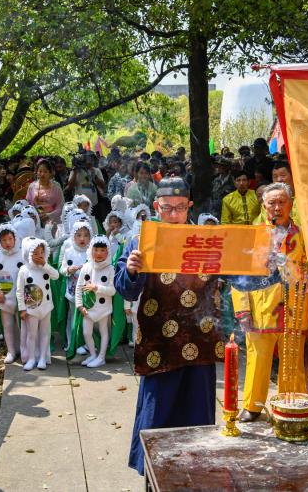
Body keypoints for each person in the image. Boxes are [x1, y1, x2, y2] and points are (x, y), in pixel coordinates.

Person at [115, 177, 224, 475]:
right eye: (166, 208)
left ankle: (197, 476)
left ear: (189, 205)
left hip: (198, 341)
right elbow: (125, 289)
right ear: (155, 206)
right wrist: (132, 270)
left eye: (179, 208)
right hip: (159, 344)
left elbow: (232, 275)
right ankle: (153, 476)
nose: (173, 214)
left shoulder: (206, 239)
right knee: (156, 416)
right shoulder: (139, 242)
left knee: (198, 417)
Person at [229, 183, 308, 421]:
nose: (277, 208)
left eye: (282, 202)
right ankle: (253, 405)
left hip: (295, 306)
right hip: (260, 307)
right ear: (264, 206)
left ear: (291, 204)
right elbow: (239, 275)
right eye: (272, 203)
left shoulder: (303, 236)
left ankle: (291, 402)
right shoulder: (252, 236)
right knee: (257, 357)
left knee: (293, 358)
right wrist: (242, 309)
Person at [17, 237, 59, 371]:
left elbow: (56, 275)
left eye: (41, 252)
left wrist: (45, 265)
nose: (39, 255)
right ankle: (31, 358)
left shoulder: (45, 268)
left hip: (46, 307)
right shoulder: (24, 270)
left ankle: (42, 358)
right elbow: (19, 291)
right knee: (31, 334)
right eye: (35, 253)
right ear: (28, 254)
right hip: (31, 308)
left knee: (45, 333)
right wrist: (22, 309)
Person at [0, 224, 24, 364]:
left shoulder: (23, 254)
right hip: (4, 297)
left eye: (10, 239)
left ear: (15, 238)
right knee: (7, 325)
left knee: (22, 325)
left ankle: (24, 349)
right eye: (4, 240)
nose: (7, 243)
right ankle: (11, 351)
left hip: (21, 298)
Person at [75, 235, 116, 368]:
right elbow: (79, 287)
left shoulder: (110, 269)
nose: (98, 253)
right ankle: (93, 354)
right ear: (91, 250)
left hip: (103, 308)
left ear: (108, 252)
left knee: (104, 331)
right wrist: (79, 305)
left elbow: (112, 291)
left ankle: (101, 357)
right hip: (88, 307)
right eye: (96, 250)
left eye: (102, 250)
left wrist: (97, 287)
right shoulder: (86, 267)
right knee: (86, 332)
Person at [61, 221, 92, 356]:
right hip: (72, 290)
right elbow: (61, 269)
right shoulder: (69, 252)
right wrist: (68, 269)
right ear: (73, 237)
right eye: (78, 235)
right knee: (72, 316)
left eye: (86, 235)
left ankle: (86, 342)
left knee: (87, 316)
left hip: (88, 291)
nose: (82, 239)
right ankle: (72, 342)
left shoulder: (92, 252)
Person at [25, 159, 65, 224]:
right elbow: (28, 203)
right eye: (40, 171)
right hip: (35, 220)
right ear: (36, 172)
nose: (42, 174)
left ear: (50, 173)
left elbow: (60, 206)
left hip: (52, 221)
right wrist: (34, 214)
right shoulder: (32, 186)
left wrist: (49, 215)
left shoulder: (56, 187)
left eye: (45, 172)